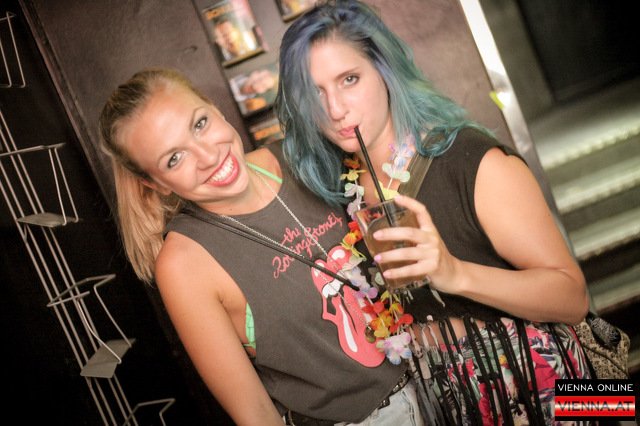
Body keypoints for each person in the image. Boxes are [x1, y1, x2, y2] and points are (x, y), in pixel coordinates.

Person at [275, 1, 592, 424]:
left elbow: (573, 298)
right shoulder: (343, 197)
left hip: (560, 393)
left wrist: (454, 273)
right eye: (314, 93)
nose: (335, 110)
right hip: (460, 408)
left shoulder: (473, 161)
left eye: (349, 79)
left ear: (384, 70)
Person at [98, 68, 425, 426]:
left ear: (215, 108)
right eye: (174, 159)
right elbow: (255, 414)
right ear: (155, 183)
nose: (208, 156)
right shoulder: (184, 264)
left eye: (200, 124)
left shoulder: (300, 156)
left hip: (439, 374)